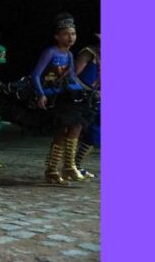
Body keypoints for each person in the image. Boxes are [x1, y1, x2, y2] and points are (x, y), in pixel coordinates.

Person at [31, 13, 87, 184]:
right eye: (66, 34)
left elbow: (72, 77)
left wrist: (89, 89)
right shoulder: (50, 52)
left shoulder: (70, 55)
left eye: (73, 34)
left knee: (75, 126)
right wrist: (40, 94)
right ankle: (59, 168)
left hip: (66, 94)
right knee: (63, 129)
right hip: (52, 95)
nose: (71, 37)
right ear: (57, 36)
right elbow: (36, 74)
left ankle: (62, 167)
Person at [74, 34, 100, 178]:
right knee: (73, 130)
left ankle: (77, 165)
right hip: (80, 97)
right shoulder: (88, 53)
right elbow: (73, 75)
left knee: (96, 132)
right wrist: (89, 90)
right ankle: (68, 167)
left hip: (94, 98)